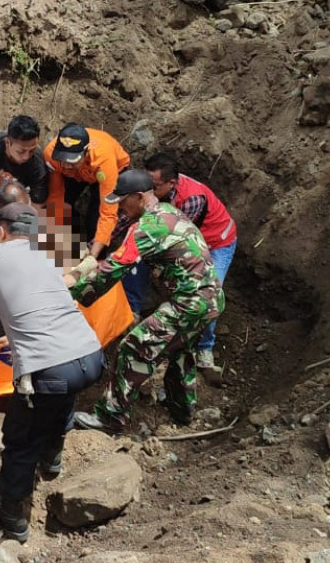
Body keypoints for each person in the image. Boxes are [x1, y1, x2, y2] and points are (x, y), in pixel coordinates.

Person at [0, 203, 104, 542]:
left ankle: (12, 516)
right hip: (90, 356)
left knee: (21, 441)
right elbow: (21, 310)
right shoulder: (49, 256)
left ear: (1, 230)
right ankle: (52, 459)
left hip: (48, 366)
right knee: (62, 396)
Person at [65, 170, 222, 432]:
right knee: (180, 350)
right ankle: (182, 409)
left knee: (133, 347)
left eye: (123, 201)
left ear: (138, 197)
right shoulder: (169, 212)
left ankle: (110, 418)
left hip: (189, 301)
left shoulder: (148, 227)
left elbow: (115, 266)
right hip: (210, 299)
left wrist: (72, 293)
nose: (120, 208)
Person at [124, 152, 238, 371]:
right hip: (185, 237)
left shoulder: (191, 200)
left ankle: (204, 347)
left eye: (154, 187)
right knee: (138, 258)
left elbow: (175, 240)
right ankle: (132, 312)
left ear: (171, 183)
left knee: (208, 293)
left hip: (216, 242)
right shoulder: (152, 192)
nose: (149, 191)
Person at [44, 123, 130, 259]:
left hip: (106, 172)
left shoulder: (104, 160)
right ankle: (71, 247)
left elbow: (108, 213)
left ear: (86, 152)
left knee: (94, 219)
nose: (66, 165)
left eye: (71, 161)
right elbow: (56, 196)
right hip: (75, 174)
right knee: (63, 205)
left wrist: (92, 257)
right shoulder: (51, 155)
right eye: (62, 159)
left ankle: (97, 257)